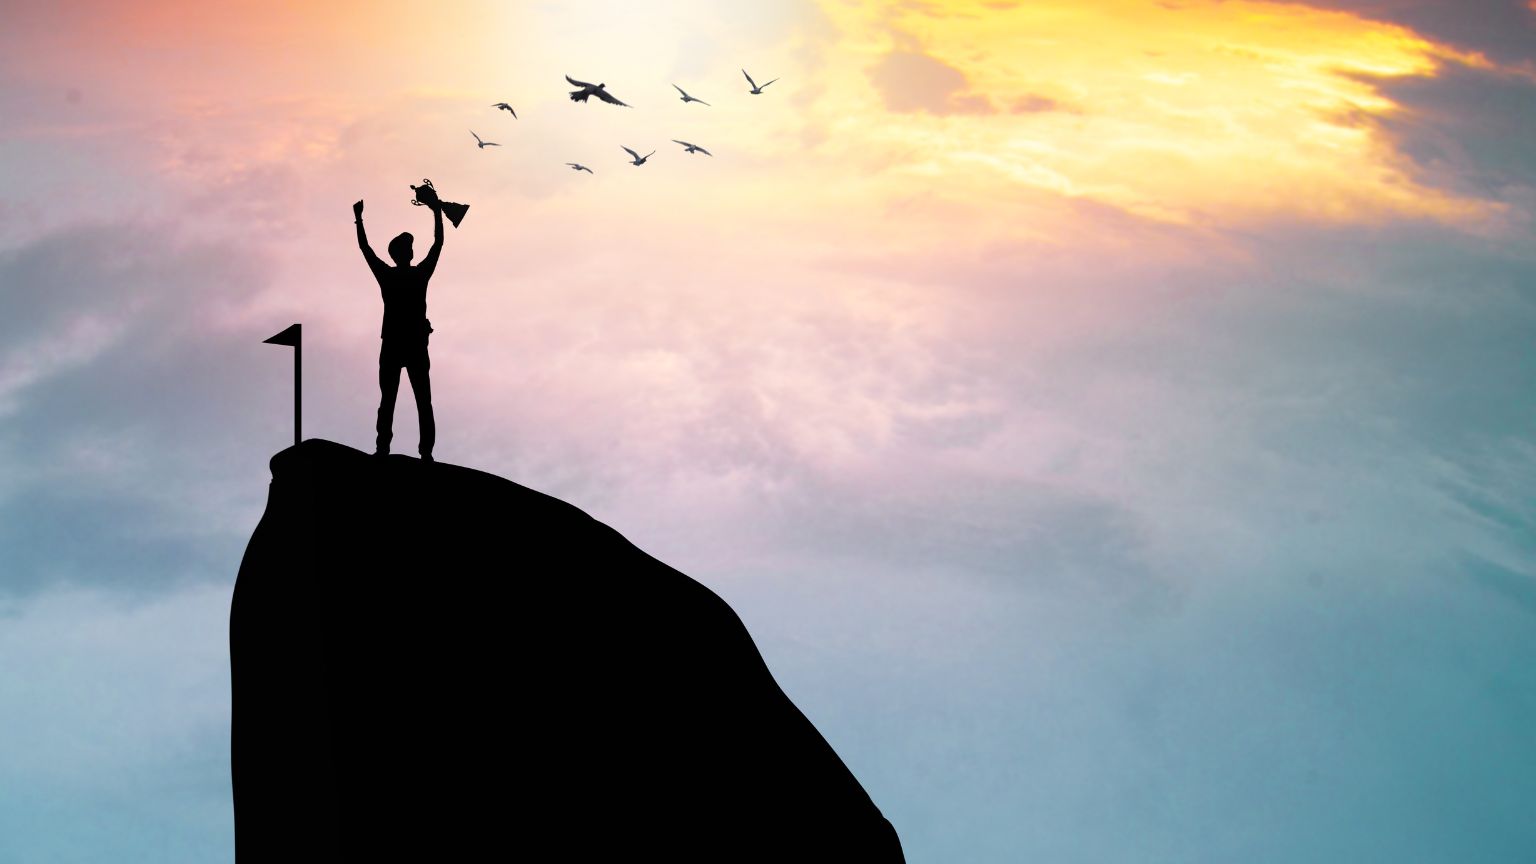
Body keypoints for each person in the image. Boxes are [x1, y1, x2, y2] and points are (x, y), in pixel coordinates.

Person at [354, 197, 442, 461]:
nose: (410, 252)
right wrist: (437, 213)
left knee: (395, 400)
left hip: (399, 343)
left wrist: (359, 219)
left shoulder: (390, 275)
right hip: (408, 343)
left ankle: (390, 449)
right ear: (405, 254)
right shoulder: (417, 275)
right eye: (408, 248)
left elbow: (365, 249)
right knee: (415, 401)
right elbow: (438, 244)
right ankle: (420, 452)